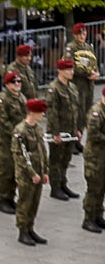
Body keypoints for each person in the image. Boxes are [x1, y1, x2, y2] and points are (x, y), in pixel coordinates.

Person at [14, 98, 50, 247]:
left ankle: (30, 228)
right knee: (25, 203)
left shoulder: (37, 128)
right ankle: (23, 231)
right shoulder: (20, 131)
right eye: (40, 112)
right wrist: (32, 173)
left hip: (38, 172)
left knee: (34, 202)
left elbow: (42, 151)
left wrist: (45, 171)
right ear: (31, 112)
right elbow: (20, 155)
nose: (43, 114)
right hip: (27, 175)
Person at [47, 58, 81, 200]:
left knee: (66, 159)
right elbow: (52, 112)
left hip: (70, 130)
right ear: (60, 70)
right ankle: (55, 188)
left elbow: (75, 110)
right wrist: (56, 133)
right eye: (68, 69)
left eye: (72, 69)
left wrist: (77, 129)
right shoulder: (54, 88)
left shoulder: (72, 87)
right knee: (56, 160)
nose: (72, 72)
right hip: (59, 130)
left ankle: (63, 184)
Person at [0, 71, 27, 215]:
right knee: (6, 171)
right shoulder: (1, 99)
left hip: (19, 140)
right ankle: (3, 199)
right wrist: (16, 132)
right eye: (14, 82)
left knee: (16, 170)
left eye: (19, 82)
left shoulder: (21, 97)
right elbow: (3, 121)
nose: (17, 84)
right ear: (7, 84)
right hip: (6, 141)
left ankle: (11, 197)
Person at [83, 93, 105, 234]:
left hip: (103, 156)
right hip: (95, 157)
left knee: (102, 188)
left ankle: (98, 215)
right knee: (94, 189)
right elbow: (93, 134)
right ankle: (88, 219)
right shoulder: (97, 112)